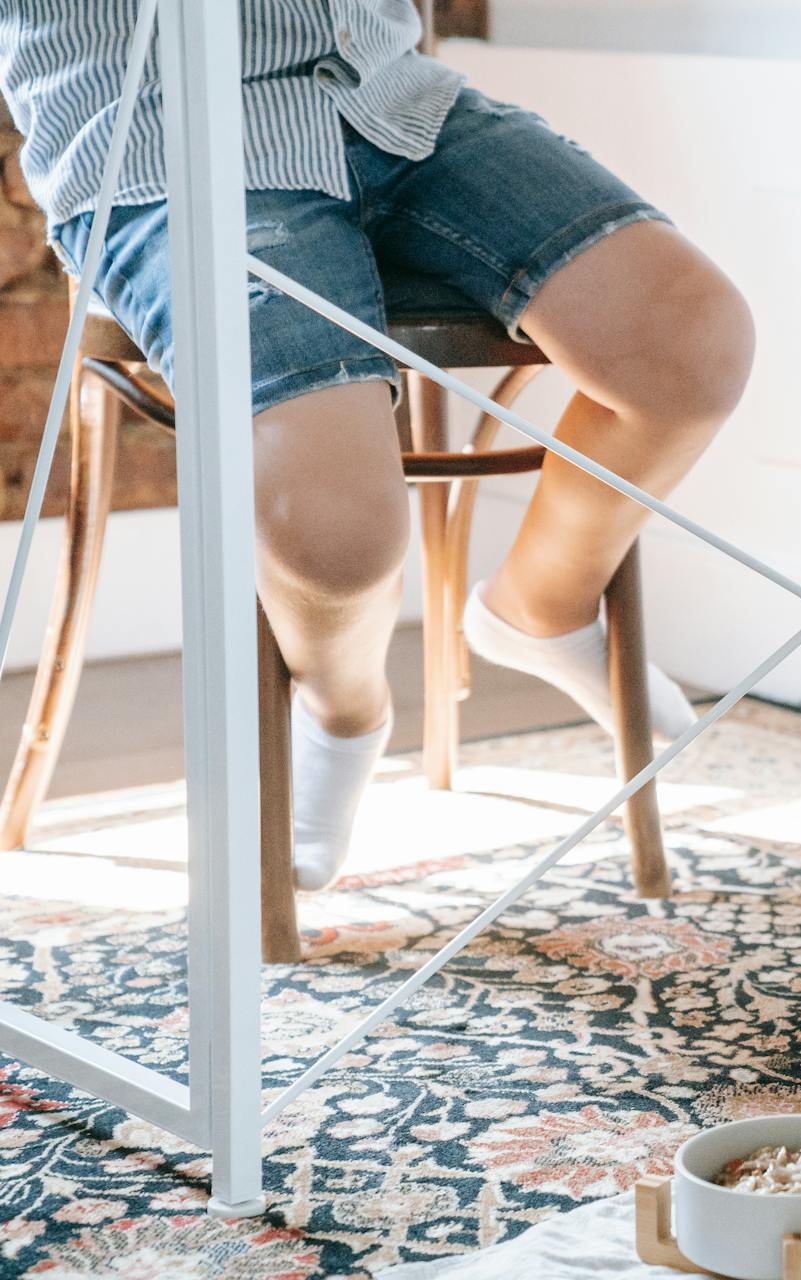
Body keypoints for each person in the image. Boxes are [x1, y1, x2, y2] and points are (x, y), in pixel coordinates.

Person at [0, 2, 753, 890]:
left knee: (688, 343)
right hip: (162, 140)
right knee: (331, 534)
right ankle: (343, 707)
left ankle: (542, 609)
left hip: (388, 98)